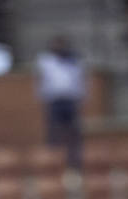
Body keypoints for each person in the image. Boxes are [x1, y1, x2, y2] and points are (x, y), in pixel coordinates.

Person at [35, 37, 85, 173]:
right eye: (56, 44)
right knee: (53, 133)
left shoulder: (74, 61)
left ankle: (75, 164)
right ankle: (53, 164)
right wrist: (43, 97)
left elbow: (80, 81)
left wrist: (80, 97)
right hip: (54, 101)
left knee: (73, 134)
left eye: (61, 44)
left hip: (70, 100)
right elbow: (41, 81)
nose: (59, 47)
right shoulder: (46, 61)